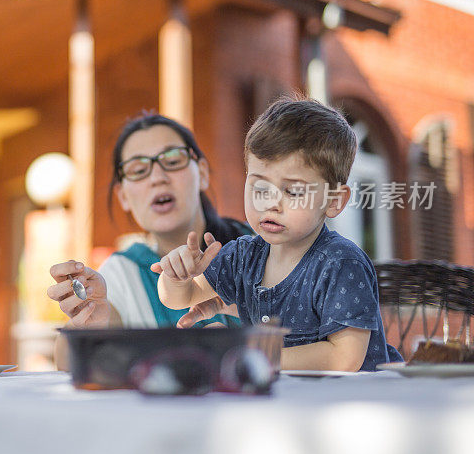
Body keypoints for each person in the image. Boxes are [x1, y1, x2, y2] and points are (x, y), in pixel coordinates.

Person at [155, 96, 400, 371]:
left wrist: (247, 352)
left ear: (333, 201)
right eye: (260, 188)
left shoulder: (340, 263)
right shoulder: (243, 256)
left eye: (293, 191)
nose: (271, 203)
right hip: (287, 403)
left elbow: (344, 358)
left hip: (360, 404)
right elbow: (180, 298)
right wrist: (176, 276)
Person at [47, 113, 250, 367]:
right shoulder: (122, 272)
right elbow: (69, 362)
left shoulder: (263, 245)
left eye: (173, 160)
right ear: (123, 196)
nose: (157, 177)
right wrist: (89, 322)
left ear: (203, 173)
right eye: (139, 170)